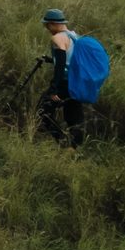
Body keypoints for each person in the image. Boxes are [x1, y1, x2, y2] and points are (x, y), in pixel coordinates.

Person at [37, 9, 85, 148]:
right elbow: (70, 60)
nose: (47, 29)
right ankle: (75, 149)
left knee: (43, 111)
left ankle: (62, 141)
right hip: (77, 83)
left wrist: (54, 89)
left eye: (47, 26)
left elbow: (61, 66)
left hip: (64, 84)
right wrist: (52, 60)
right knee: (74, 117)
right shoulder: (75, 37)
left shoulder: (57, 38)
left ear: (52, 24)